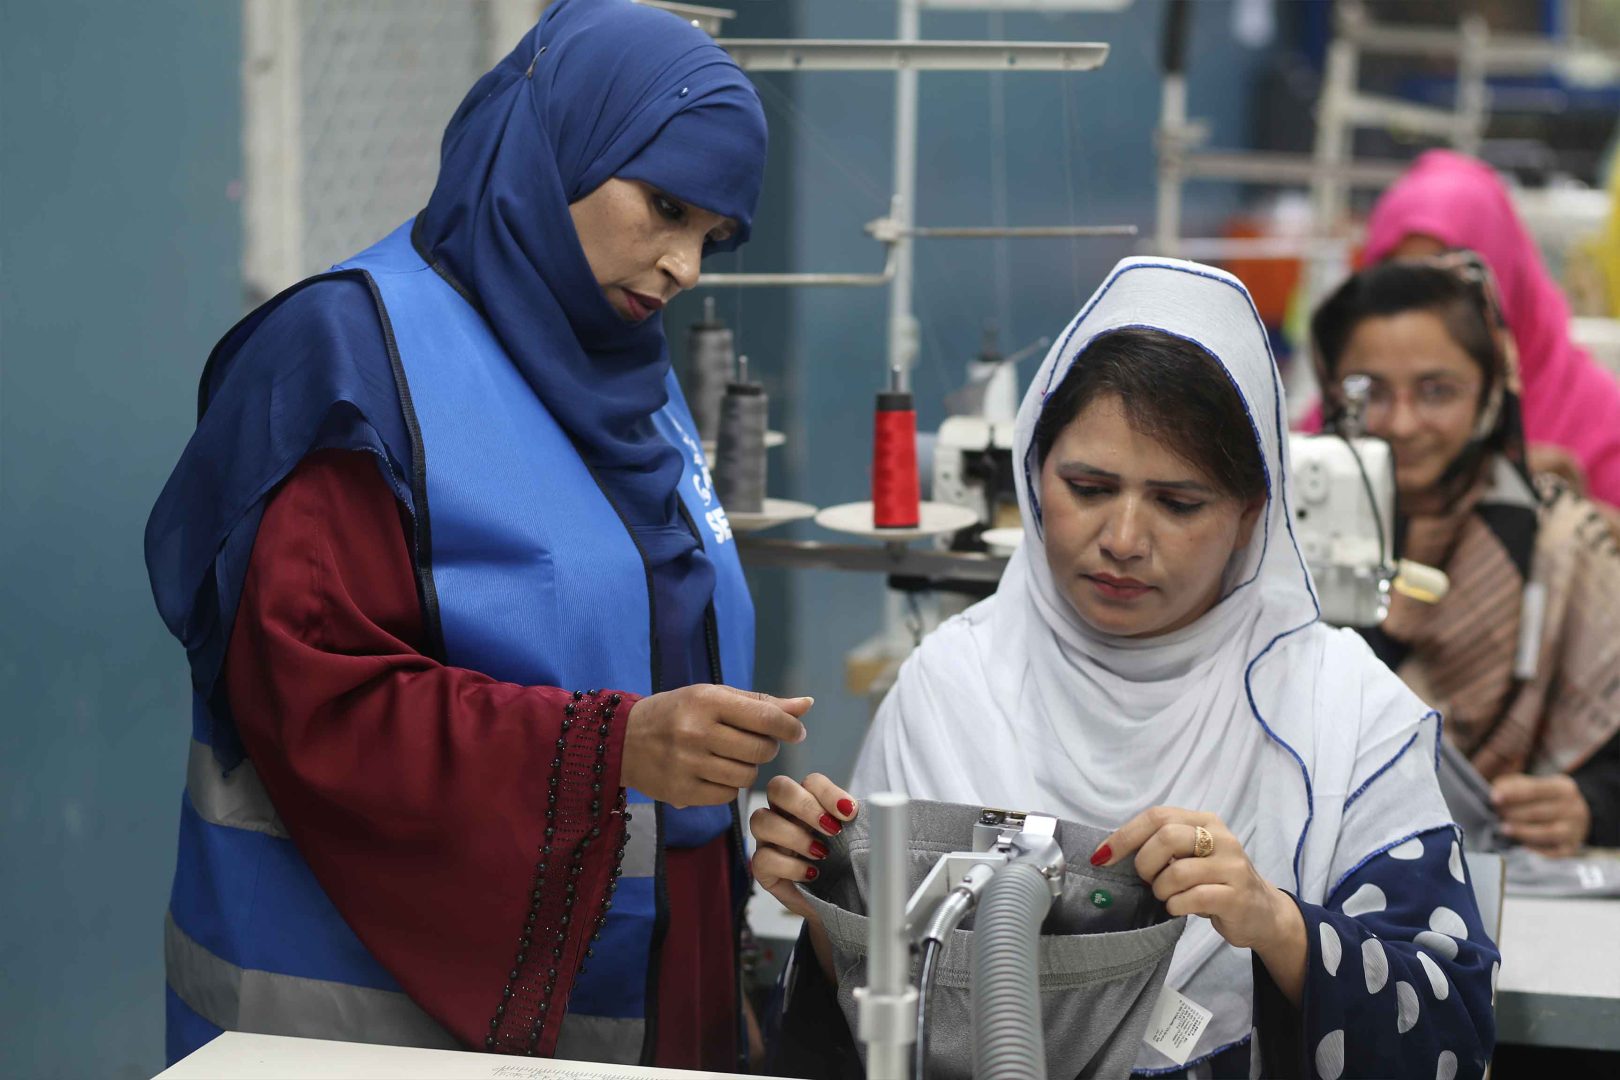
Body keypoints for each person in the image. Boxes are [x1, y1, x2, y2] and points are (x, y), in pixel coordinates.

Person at [144, 0, 804, 1067]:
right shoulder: (349, 359)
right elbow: (316, 696)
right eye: (666, 207)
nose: (684, 266)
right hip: (376, 1023)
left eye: (712, 240)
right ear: (559, 146)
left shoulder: (628, 377)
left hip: (647, 995)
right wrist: (615, 749)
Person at [752, 258, 1499, 1078]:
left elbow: (1450, 1035)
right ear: (1034, 471)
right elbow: (857, 1035)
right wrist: (826, 910)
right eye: (1088, 487)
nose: (1123, 540)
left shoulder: (1345, 714)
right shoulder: (950, 685)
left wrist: (1274, 921)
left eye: (1178, 503)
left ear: (1251, 512)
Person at [1312, 256, 1620, 856]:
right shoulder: (1280, 536)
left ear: (1490, 393)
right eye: (1368, 391)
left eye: (1438, 392)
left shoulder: (1561, 544)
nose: (1402, 423)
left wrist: (1590, 804)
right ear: (1330, 390)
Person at [1361, 149, 1620, 509]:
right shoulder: (1349, 400)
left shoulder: (1599, 425)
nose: (1421, 318)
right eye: (1400, 289)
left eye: (1447, 290)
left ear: (1503, 282)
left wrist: (1571, 511)